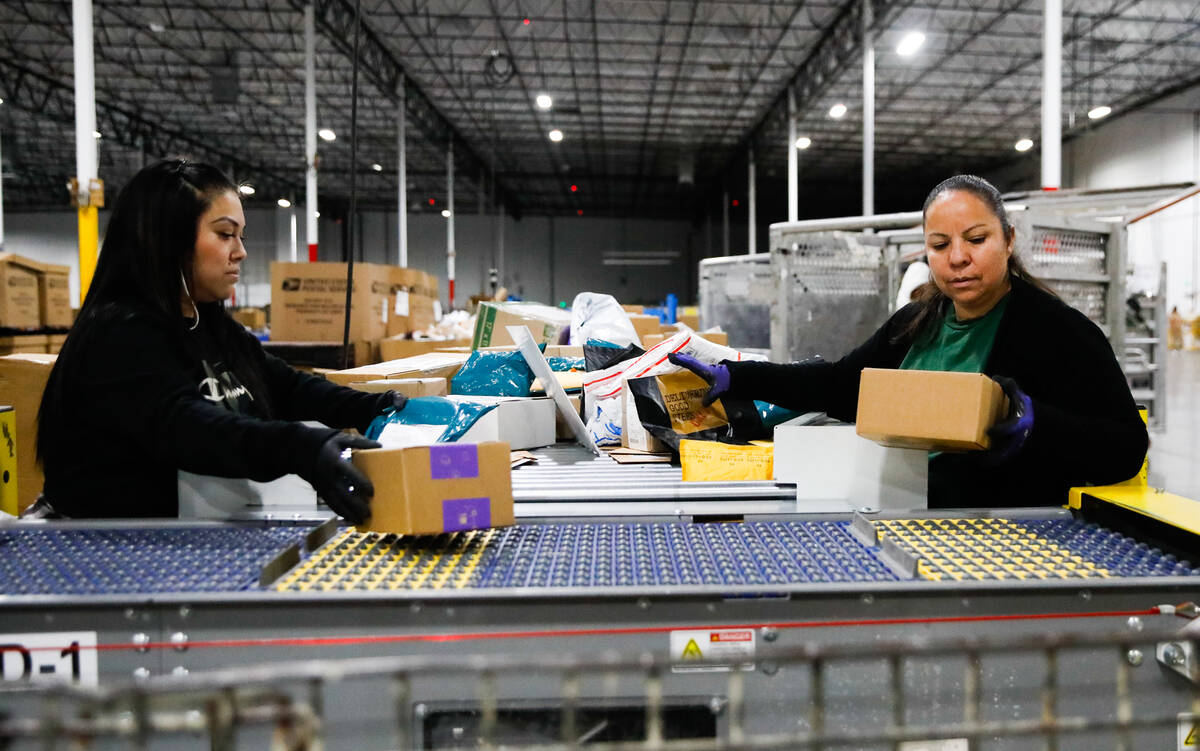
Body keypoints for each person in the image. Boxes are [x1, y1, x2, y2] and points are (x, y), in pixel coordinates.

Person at [671, 174, 1148, 508]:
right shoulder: (918, 320)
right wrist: (740, 375)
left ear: (1008, 239)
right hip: (902, 512)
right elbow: (843, 386)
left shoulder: (1058, 332)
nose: (958, 258)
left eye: (976, 239)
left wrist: (1036, 423)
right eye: (940, 245)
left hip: (1003, 528)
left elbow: (1126, 448)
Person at [33, 159, 404, 522]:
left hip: (188, 536)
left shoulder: (208, 323)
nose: (240, 251)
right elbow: (190, 428)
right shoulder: (119, 335)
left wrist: (378, 407)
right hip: (110, 548)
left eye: (240, 236)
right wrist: (300, 448)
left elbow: (287, 386)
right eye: (225, 234)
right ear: (169, 239)